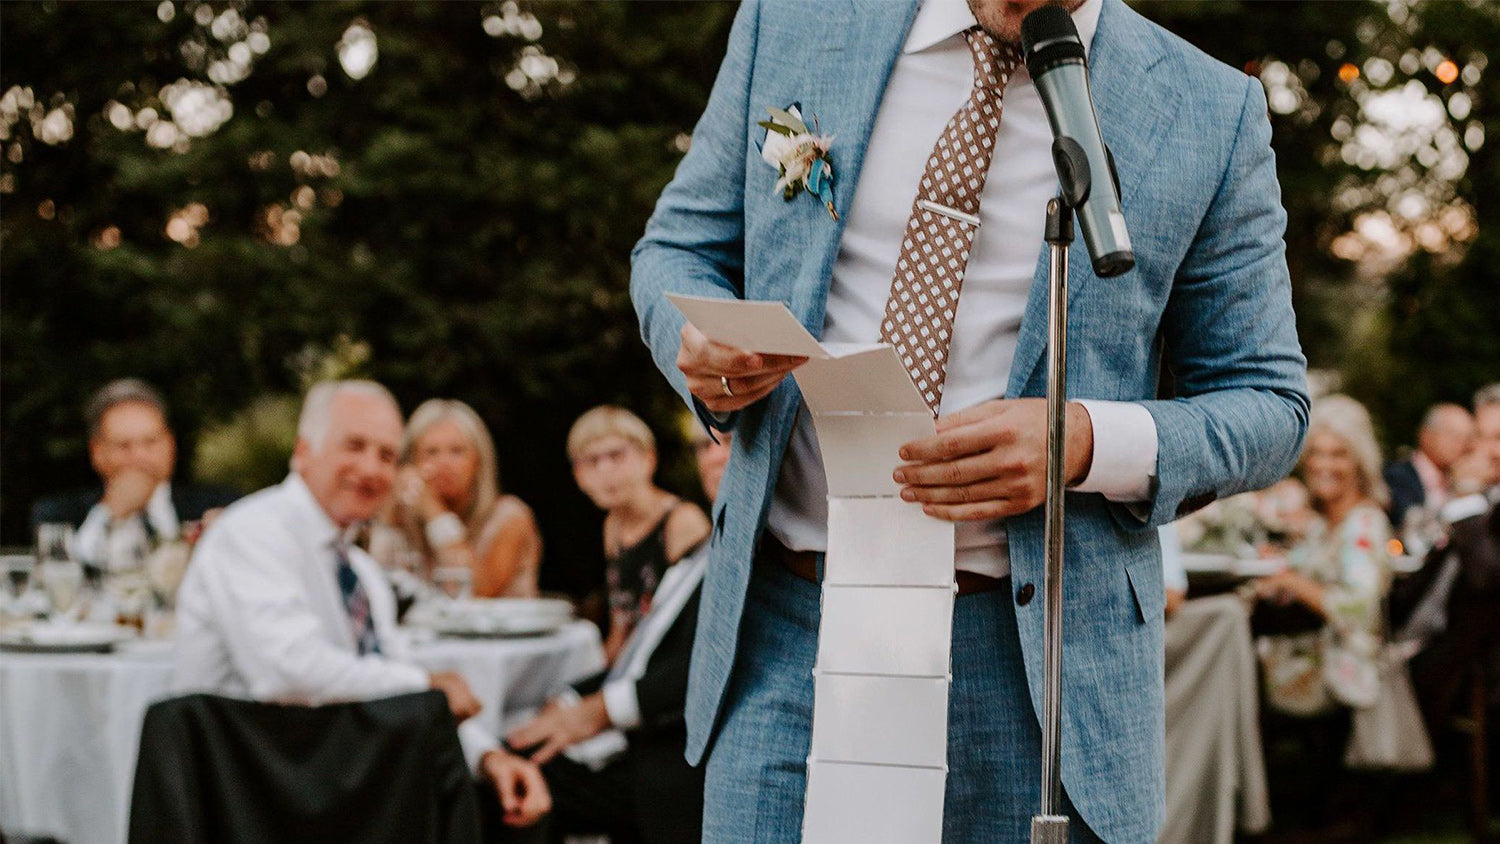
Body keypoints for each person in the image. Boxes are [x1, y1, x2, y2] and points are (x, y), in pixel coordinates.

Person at [629, 0, 1310, 839]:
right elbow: (676, 247)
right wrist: (697, 342)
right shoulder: (792, 21)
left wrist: (1084, 442)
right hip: (786, 631)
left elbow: (1270, 402)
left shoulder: (1208, 109)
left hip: (1035, 666)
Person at [172, 380, 549, 829]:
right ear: (303, 450)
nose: (371, 468)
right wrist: (428, 685)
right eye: (355, 446)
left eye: (387, 456)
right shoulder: (254, 532)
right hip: (254, 788)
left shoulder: (360, 572)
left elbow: (397, 677)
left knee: (508, 800)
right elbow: (288, 671)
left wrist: (488, 757)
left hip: (336, 770)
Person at [494, 428, 732, 844]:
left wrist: (597, 712)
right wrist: (569, 699)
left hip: (676, 756)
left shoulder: (702, 533)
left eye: (734, 441)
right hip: (644, 722)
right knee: (504, 750)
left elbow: (702, 667)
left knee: (510, 778)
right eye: (706, 444)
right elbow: (637, 648)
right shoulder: (710, 546)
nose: (716, 457)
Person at [1252, 395, 1391, 717]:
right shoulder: (1323, 524)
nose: (1323, 465)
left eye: (1338, 454)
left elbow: (1357, 608)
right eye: (1316, 453)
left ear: (1359, 461)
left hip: (1339, 675)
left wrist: (1292, 582)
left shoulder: (1363, 525)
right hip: (1300, 658)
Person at [30, 378, 238, 570]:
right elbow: (59, 580)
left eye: (150, 442)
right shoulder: (58, 515)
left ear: (170, 444)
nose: (140, 456)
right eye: (124, 446)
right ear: (97, 453)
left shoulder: (221, 505)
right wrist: (108, 512)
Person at [567, 406, 710, 664]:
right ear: (579, 475)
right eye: (592, 460)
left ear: (649, 458)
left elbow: (694, 640)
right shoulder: (613, 527)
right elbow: (621, 630)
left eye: (616, 455)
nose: (605, 469)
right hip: (631, 670)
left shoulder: (682, 523)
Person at [377, 398, 543, 598]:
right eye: (431, 452)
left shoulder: (510, 517)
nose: (443, 463)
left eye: (457, 451)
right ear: (413, 461)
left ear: (478, 461)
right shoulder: (406, 518)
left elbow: (477, 592)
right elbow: (380, 583)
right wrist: (389, 513)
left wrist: (434, 512)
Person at [1384, 403, 1477, 529]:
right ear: (1426, 435)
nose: (1462, 443)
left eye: (1467, 437)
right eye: (1452, 434)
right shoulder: (1395, 477)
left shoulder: (1460, 479)